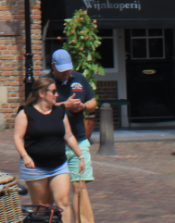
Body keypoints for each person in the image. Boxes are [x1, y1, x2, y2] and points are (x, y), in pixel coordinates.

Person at [13, 76, 85, 217]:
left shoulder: (60, 112)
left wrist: (80, 155)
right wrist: (25, 155)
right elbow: (18, 137)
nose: (57, 95)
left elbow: (68, 135)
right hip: (35, 167)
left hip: (59, 164)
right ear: (41, 94)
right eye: (53, 92)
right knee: (41, 207)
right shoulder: (26, 113)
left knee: (63, 202)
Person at [44, 49, 97, 223]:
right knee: (59, 190)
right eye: (62, 70)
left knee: (79, 186)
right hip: (55, 142)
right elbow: (40, 109)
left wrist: (83, 106)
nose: (66, 73)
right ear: (53, 66)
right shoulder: (46, 83)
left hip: (79, 138)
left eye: (68, 69)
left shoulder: (79, 79)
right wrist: (64, 106)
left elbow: (93, 101)